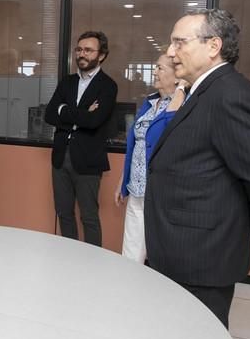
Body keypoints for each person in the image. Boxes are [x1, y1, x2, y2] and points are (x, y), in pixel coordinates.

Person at [145, 9, 250, 328]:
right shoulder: (202, 91)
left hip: (201, 255)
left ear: (213, 46)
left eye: (179, 42)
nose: (170, 52)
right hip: (182, 247)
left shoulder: (230, 94)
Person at [44, 31, 118, 246]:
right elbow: (49, 114)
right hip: (60, 158)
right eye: (79, 49)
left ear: (101, 55)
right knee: (63, 212)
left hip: (87, 160)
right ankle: (70, 259)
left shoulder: (108, 85)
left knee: (89, 216)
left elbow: (95, 121)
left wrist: (64, 110)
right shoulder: (66, 82)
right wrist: (83, 113)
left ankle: (93, 265)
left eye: (88, 50)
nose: (81, 54)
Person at [114, 55, 185, 263]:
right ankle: (128, 289)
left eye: (160, 68)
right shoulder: (149, 102)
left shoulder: (183, 104)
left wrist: (181, 91)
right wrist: (123, 180)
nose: (155, 72)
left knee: (158, 252)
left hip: (160, 191)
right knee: (131, 250)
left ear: (176, 76)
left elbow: (166, 132)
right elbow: (135, 144)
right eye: (155, 67)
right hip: (136, 187)